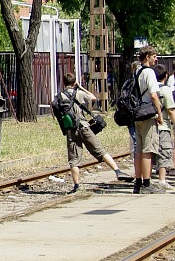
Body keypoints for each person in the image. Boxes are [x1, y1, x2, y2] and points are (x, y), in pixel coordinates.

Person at [51, 72, 132, 193]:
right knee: (100, 150)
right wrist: (81, 87)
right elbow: (93, 98)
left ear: (64, 83)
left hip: (71, 130)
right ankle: (117, 171)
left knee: (74, 159)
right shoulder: (79, 93)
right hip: (84, 126)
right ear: (74, 83)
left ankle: (77, 186)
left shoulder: (59, 96)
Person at [133, 46, 165, 194]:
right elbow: (153, 95)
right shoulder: (149, 73)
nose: (155, 59)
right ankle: (147, 184)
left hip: (137, 114)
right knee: (148, 150)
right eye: (154, 56)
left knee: (138, 150)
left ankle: (137, 183)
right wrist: (159, 114)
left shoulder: (137, 72)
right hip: (147, 114)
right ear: (147, 57)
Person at [153, 65, 175, 190]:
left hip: (149, 125)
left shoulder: (149, 89)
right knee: (164, 152)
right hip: (163, 125)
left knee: (148, 152)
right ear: (165, 76)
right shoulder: (165, 90)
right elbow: (170, 110)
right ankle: (162, 180)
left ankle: (146, 179)